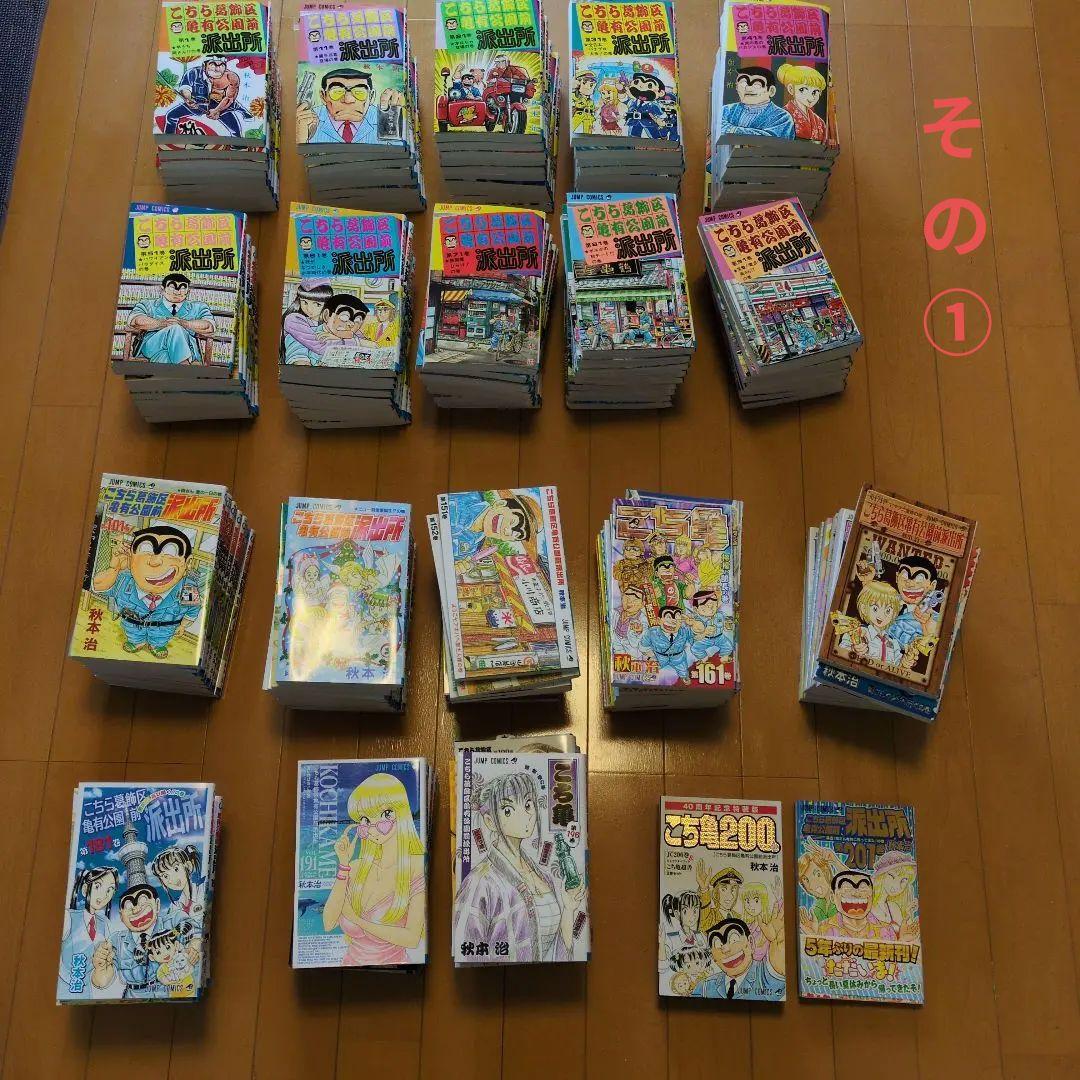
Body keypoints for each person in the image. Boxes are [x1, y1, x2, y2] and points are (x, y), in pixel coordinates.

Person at [453, 770, 587, 962]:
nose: (525, 815)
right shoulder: (480, 881)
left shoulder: (544, 877)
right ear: (490, 822)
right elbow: (465, 952)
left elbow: (556, 957)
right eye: (508, 810)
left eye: (528, 804)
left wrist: (568, 909)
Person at [322, 772, 427, 965]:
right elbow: (328, 924)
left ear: (401, 813)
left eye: (385, 814)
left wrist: (359, 921)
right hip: (347, 967)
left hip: (398, 969)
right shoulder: (355, 867)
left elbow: (412, 938)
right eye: (365, 819)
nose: (372, 827)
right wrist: (343, 865)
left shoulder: (416, 867)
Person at [92, 524, 202, 658]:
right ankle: (137, 641)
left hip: (165, 628)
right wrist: (114, 568)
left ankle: (157, 644)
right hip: (132, 624)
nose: (154, 561)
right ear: (131, 557)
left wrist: (183, 625)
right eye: (146, 549)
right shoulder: (124, 580)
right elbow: (97, 586)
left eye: (170, 553)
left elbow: (193, 608)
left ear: (187, 563)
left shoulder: (188, 587)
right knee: (133, 633)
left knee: (161, 636)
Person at [59, 866, 121, 998]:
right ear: (85, 889)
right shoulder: (69, 917)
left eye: (109, 890)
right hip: (65, 989)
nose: (103, 895)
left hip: (88, 993)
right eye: (98, 886)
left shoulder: (105, 924)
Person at [128, 273, 216, 366]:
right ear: (162, 289)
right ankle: (185, 366)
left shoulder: (198, 307)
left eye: (182, 288)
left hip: (187, 349)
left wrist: (185, 323)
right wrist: (161, 324)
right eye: (172, 287)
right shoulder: (147, 304)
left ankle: (179, 369)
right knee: (175, 328)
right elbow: (135, 321)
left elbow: (209, 326)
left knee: (165, 356)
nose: (177, 292)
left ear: (188, 291)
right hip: (152, 346)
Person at [297, 68, 403, 144]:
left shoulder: (387, 117)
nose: (348, 100)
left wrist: (392, 128)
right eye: (337, 92)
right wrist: (300, 138)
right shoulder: (306, 119)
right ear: (323, 96)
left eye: (359, 92)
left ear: (371, 97)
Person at [690, 919, 786, 999]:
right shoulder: (704, 988)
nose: (726, 949)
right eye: (718, 944)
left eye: (734, 939)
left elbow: (777, 981)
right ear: (712, 956)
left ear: (751, 943)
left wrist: (778, 969)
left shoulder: (765, 975)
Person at [163, 56, 250, 136]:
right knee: (171, 116)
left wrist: (217, 110)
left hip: (219, 104)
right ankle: (169, 137)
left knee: (235, 128)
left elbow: (229, 98)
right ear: (204, 66)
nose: (217, 68)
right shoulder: (193, 73)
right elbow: (185, 88)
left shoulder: (231, 77)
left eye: (222, 65)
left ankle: (243, 114)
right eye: (213, 64)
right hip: (196, 103)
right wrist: (188, 99)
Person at [112, 884, 169, 999]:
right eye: (128, 906)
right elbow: (102, 980)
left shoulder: (169, 926)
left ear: (157, 905)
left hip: (166, 994)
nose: (137, 910)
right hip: (132, 997)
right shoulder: (117, 940)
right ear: (121, 916)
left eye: (143, 902)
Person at [839, 579, 904, 667]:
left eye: (888, 610)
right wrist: (853, 650)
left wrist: (906, 661)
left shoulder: (893, 643)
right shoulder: (857, 632)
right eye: (875, 609)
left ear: (894, 614)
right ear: (864, 609)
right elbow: (840, 650)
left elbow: (899, 666)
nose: (881, 615)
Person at [818, 870, 897, 941]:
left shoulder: (887, 930)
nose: (856, 894)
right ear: (832, 897)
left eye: (863, 888)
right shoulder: (824, 928)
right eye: (846, 888)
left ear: (872, 894)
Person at [720, 67, 796, 139]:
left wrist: (731, 129)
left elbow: (769, 139)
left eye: (757, 85)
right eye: (743, 83)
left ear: (771, 91)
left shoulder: (782, 117)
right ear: (736, 87)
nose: (748, 88)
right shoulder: (726, 110)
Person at [282, 280, 333, 365]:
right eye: (305, 302)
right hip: (301, 365)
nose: (309, 309)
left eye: (317, 304)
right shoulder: (294, 319)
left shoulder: (329, 324)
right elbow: (318, 346)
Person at [640, 606, 695, 682]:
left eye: (677, 618)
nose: (673, 621)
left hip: (678, 657)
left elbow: (694, 640)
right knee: (652, 667)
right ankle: (648, 675)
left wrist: (693, 625)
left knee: (683, 669)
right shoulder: (652, 632)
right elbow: (644, 644)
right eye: (668, 617)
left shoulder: (685, 630)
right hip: (659, 656)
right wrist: (650, 653)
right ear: (659, 620)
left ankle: (684, 676)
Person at [777, 63, 827, 142]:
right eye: (802, 89)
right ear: (791, 89)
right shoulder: (781, 117)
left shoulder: (819, 122)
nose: (811, 97)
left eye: (815, 91)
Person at [686, 589, 734, 661]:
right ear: (696, 609)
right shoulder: (697, 620)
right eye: (706, 606)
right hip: (705, 639)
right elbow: (696, 637)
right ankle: (704, 659)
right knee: (695, 648)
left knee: (728, 647)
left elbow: (726, 626)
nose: (711, 608)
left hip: (720, 637)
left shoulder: (720, 615)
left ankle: (723, 659)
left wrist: (727, 625)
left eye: (714, 605)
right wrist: (705, 632)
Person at [697, 862, 742, 934]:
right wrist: (704, 890)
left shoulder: (739, 918)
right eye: (723, 889)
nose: (730, 896)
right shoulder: (711, 916)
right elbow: (703, 922)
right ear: (716, 892)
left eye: (733, 890)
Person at [624, 66, 667, 139]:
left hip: (649, 123)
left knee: (654, 136)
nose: (641, 87)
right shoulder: (633, 101)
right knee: (633, 136)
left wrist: (661, 121)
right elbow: (625, 102)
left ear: (661, 93)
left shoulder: (653, 105)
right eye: (637, 82)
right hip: (634, 122)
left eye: (649, 85)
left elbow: (662, 115)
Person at [571, 69, 597, 133]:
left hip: (589, 117)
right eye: (584, 83)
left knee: (588, 133)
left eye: (592, 84)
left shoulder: (590, 101)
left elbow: (592, 108)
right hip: (578, 116)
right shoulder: (575, 96)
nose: (589, 87)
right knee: (571, 129)